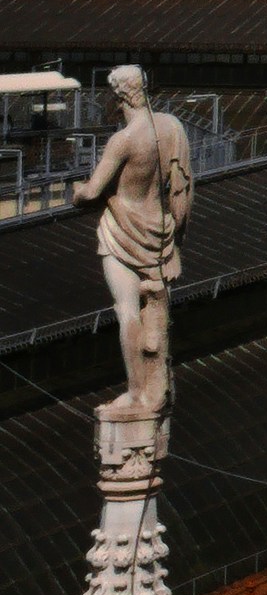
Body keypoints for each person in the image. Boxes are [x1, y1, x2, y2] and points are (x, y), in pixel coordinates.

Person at [78, 67, 191, 442]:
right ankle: (157, 382)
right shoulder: (171, 127)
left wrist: (76, 192)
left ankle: (137, 390)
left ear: (119, 97)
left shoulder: (123, 140)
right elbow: (182, 187)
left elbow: (92, 192)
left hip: (122, 231)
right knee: (155, 310)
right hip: (159, 231)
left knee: (126, 311)